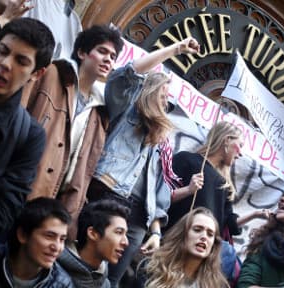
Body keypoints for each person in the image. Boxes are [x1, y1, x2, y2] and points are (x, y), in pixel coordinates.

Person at [86, 37, 200, 286]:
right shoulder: (126, 110)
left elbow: (159, 193)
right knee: (86, 266)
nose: (165, 101)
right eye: (163, 93)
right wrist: (177, 49)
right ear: (149, 90)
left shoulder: (161, 142)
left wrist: (156, 232)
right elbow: (128, 74)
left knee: (111, 282)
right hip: (109, 196)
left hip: (139, 220)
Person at [22, 24, 124, 241]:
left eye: (113, 56)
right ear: (82, 52)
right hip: (22, 185)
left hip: (56, 204)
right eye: (102, 51)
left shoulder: (100, 111)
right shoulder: (51, 75)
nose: (108, 60)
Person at [0, 17, 52, 278]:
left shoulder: (29, 135)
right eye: (3, 51)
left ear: (37, 73)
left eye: (21, 61)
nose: (5, 65)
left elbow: (5, 206)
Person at [167, 121, 268, 240]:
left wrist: (255, 214)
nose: (240, 154)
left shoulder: (225, 185)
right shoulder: (185, 159)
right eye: (240, 145)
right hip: (171, 241)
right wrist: (188, 190)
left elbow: (228, 223)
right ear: (227, 140)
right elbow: (159, 198)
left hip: (200, 253)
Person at [0, 197, 73, 287]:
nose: (57, 247)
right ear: (22, 235)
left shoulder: (62, 284)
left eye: (62, 239)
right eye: (49, 236)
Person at [140, 207, 230, 288]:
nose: (204, 237)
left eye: (210, 234)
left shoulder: (217, 284)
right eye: (197, 230)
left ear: (214, 244)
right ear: (182, 234)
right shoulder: (152, 268)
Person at [58, 199, 130, 288]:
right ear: (93, 233)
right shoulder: (52, 272)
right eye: (119, 232)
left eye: (125, 234)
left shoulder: (105, 284)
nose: (126, 242)